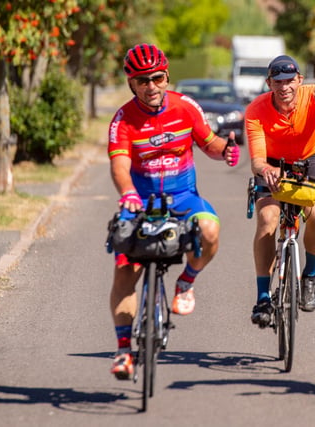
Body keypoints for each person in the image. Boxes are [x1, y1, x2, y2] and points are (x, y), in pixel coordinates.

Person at [107, 43, 240, 379]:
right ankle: (124, 351)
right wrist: (128, 194)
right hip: (140, 202)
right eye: (142, 80)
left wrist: (226, 150)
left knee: (210, 230)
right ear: (132, 84)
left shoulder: (185, 107)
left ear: (167, 77)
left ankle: (185, 282)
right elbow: (120, 166)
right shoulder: (123, 119)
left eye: (157, 77)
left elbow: (208, 142)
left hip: (183, 198)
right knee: (125, 270)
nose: (151, 85)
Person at [244, 55, 315, 327]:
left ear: (300, 81)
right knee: (268, 220)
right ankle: (262, 297)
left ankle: (310, 278)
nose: (284, 88)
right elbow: (257, 160)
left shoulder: (314, 96)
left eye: (290, 81)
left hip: (309, 161)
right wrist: (266, 170)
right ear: (269, 83)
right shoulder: (256, 109)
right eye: (277, 82)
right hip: (272, 166)